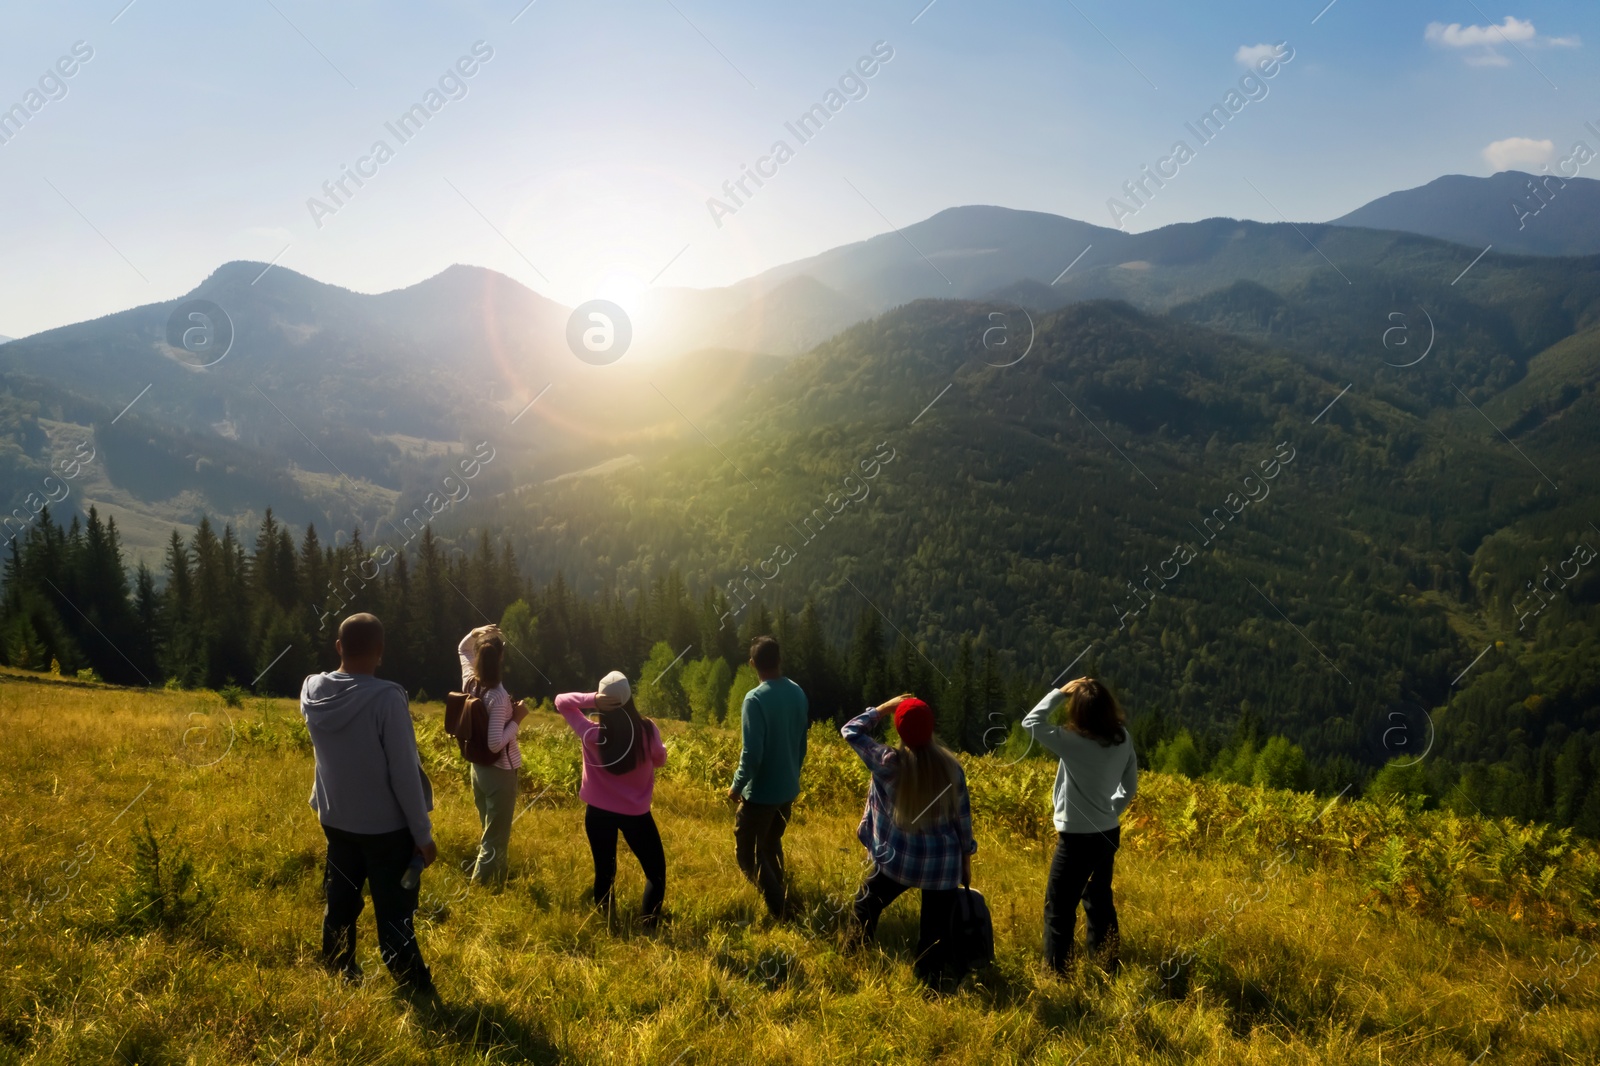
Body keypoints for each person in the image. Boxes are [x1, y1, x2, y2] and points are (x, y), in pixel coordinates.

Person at [301, 612, 437, 999]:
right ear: (380, 651)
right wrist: (423, 835)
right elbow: (404, 774)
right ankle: (413, 985)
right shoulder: (386, 698)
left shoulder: (311, 690)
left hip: (335, 819)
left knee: (341, 899)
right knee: (395, 910)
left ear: (339, 647)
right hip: (385, 829)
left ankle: (338, 968)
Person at [840, 694, 977, 988]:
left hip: (898, 860)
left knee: (867, 902)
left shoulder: (887, 762)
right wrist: (966, 860)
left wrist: (884, 708)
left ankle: (851, 956)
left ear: (900, 731)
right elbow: (962, 821)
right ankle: (930, 982)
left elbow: (850, 730)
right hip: (942, 866)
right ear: (931, 728)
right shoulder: (952, 768)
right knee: (934, 930)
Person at [1022, 676, 1139, 975]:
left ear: (1079, 712)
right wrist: (1111, 810)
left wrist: (1060, 692)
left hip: (1076, 839)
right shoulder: (1122, 737)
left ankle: (1057, 976)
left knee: (1058, 909)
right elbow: (1130, 784)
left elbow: (1031, 722)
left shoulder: (1071, 741)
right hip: (1108, 833)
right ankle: (1107, 966)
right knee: (1099, 900)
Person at [555, 671, 669, 928]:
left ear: (602, 703)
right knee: (655, 873)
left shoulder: (590, 733)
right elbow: (660, 760)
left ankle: (608, 926)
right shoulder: (647, 730)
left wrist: (593, 698)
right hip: (636, 815)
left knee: (605, 873)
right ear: (629, 699)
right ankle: (649, 925)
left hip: (597, 814)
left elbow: (561, 701)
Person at [726, 635, 809, 920]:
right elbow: (801, 743)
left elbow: (752, 753)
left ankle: (781, 911)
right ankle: (783, 892)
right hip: (787, 790)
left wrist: (736, 786)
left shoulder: (755, 699)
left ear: (752, 664)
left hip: (760, 794)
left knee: (749, 853)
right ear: (779, 660)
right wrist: (791, 775)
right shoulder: (797, 692)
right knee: (772, 843)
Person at [458, 624, 527, 885]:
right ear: (500, 659)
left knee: (491, 828)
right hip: (500, 771)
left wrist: (474, 632)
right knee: (495, 835)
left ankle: (497, 875)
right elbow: (496, 744)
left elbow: (462, 649)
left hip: (478, 770)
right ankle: (480, 886)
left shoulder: (469, 682)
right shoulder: (497, 697)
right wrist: (518, 718)